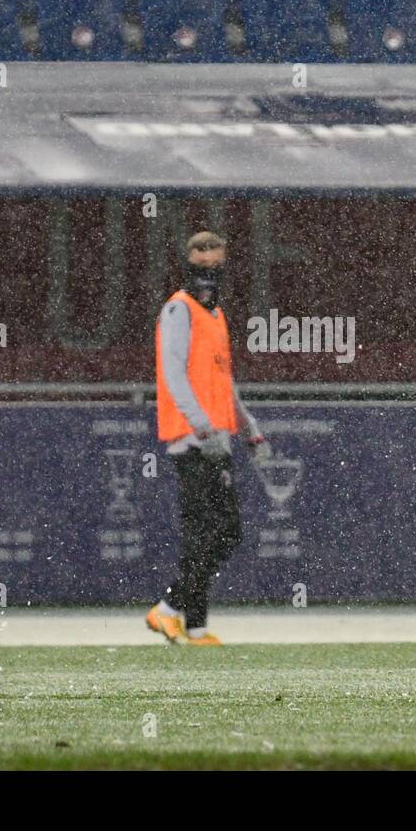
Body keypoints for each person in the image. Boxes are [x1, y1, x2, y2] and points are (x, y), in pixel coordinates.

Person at [147, 231, 268, 646]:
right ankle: (167, 611)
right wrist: (201, 425)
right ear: (187, 265)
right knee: (218, 532)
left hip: (215, 437)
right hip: (193, 439)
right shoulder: (178, 311)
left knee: (208, 534)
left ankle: (193, 625)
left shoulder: (215, 315)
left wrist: (248, 426)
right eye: (203, 267)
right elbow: (173, 375)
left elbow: (222, 378)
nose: (210, 274)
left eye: (216, 267)